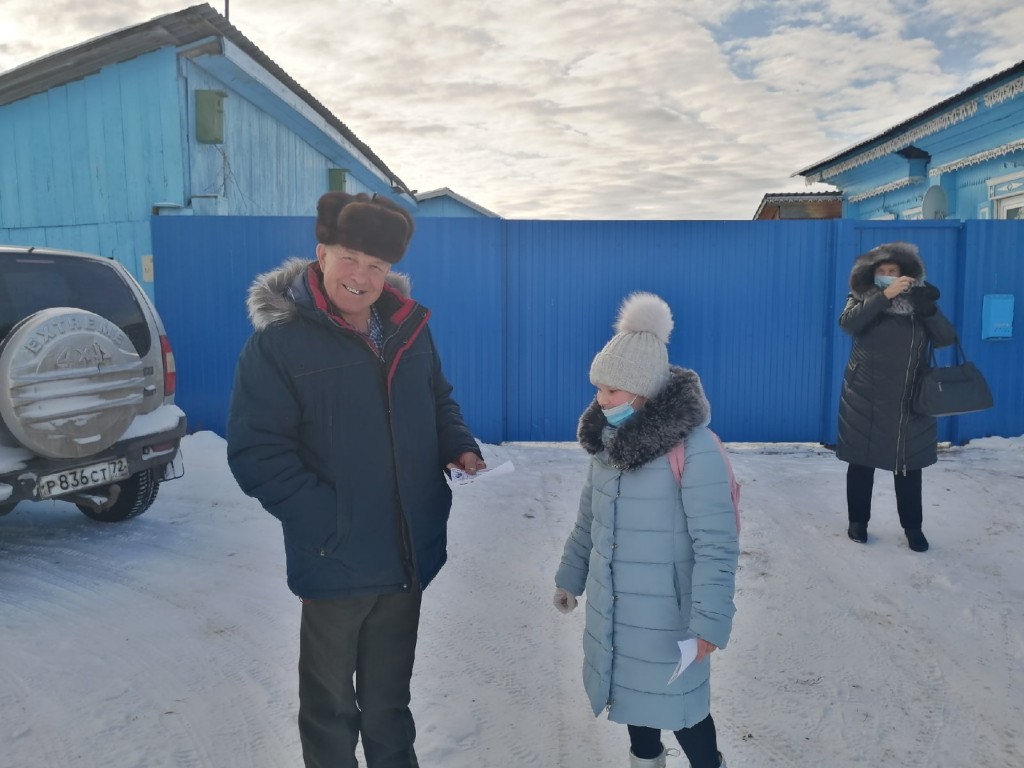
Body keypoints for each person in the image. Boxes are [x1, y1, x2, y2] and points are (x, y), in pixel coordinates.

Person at [226, 191, 485, 768]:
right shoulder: (279, 345)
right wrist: (331, 525)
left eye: (376, 265)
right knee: (330, 709)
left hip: (406, 552)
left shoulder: (407, 330)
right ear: (321, 254)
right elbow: (257, 453)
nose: (361, 277)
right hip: (335, 560)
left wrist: (458, 446)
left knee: (390, 702)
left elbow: (438, 402)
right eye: (349, 259)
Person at [553, 292, 739, 768]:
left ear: (643, 391)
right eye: (599, 388)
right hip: (616, 606)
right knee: (632, 698)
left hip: (669, 616)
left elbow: (716, 544)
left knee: (684, 710)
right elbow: (588, 520)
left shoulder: (694, 449)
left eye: (612, 391)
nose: (602, 400)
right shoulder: (607, 445)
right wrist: (570, 577)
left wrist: (710, 620)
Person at [837, 241, 956, 552]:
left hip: (910, 398)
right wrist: (883, 296)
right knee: (861, 462)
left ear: (906, 274)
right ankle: (858, 522)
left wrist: (929, 310)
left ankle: (913, 527)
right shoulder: (860, 298)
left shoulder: (918, 303)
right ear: (871, 274)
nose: (888, 275)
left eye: (894, 270)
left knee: (909, 465)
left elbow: (946, 339)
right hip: (865, 395)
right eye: (882, 271)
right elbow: (848, 323)